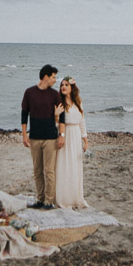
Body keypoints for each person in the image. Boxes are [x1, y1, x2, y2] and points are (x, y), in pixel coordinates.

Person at [21, 64, 63, 209]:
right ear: (46, 77)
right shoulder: (29, 92)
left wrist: (61, 135)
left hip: (51, 138)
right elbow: (24, 114)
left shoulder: (54, 95)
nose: (55, 80)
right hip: (34, 137)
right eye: (53, 77)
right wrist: (24, 134)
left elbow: (62, 116)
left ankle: (49, 201)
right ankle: (40, 199)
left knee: (49, 171)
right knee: (37, 170)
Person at [54, 76, 89, 209]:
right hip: (65, 134)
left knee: (75, 167)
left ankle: (75, 198)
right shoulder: (59, 103)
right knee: (63, 166)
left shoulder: (78, 102)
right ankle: (63, 199)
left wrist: (85, 140)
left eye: (66, 85)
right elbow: (55, 124)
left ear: (71, 88)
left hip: (76, 136)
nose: (63, 87)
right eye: (62, 85)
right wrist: (56, 116)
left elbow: (82, 122)